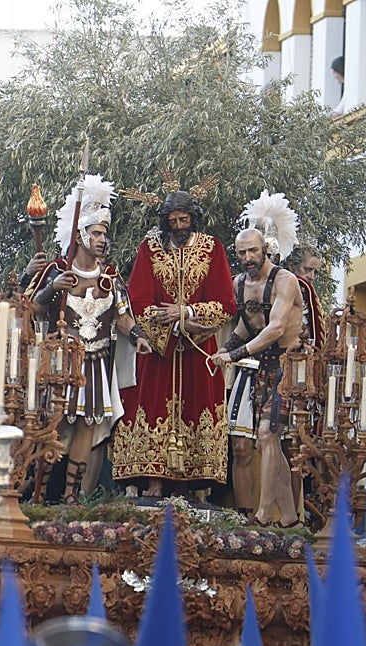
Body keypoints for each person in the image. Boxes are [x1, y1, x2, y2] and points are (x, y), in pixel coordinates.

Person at [23, 174, 151, 501]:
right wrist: (53, 288)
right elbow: (33, 309)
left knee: (87, 427)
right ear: (80, 235)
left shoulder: (110, 277)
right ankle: (38, 494)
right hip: (61, 363)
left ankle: (71, 496)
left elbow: (122, 316)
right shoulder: (56, 270)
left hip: (95, 363)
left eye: (104, 234)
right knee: (53, 427)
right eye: (96, 232)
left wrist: (137, 336)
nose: (102, 239)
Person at [111, 185, 236, 497]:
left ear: (193, 218)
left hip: (198, 349)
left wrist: (188, 313)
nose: (179, 226)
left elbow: (225, 303)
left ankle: (193, 485)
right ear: (165, 220)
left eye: (184, 219)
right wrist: (170, 323)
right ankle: (152, 478)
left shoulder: (211, 248)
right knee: (152, 408)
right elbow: (138, 301)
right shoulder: (150, 249)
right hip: (159, 351)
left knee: (198, 408)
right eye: (174, 220)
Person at [212, 197, 303, 527]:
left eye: (253, 251)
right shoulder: (238, 284)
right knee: (259, 442)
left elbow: (275, 327)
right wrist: (226, 349)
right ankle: (290, 517)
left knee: (267, 436)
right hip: (258, 368)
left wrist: (234, 355)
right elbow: (244, 325)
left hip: (286, 367)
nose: (248, 258)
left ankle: (265, 515)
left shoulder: (284, 281)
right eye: (241, 253)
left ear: (264, 248)